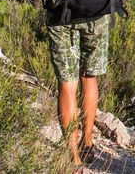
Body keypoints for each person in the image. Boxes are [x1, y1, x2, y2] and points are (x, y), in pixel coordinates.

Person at [47, 11, 111, 166]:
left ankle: (74, 157)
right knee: (89, 76)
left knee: (67, 84)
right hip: (98, 13)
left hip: (61, 14)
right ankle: (87, 142)